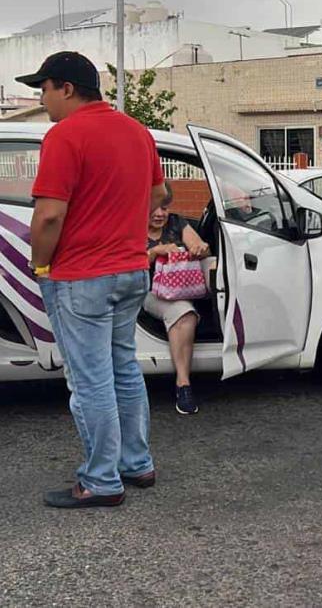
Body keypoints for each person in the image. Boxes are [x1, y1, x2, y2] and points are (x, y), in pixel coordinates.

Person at [20, 51, 166, 509]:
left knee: (90, 381)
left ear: (66, 88)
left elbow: (48, 216)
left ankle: (102, 481)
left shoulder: (64, 136)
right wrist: (128, 231)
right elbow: (159, 193)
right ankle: (136, 463)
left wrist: (39, 265)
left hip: (81, 276)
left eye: (43, 89)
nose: (42, 99)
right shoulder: (137, 132)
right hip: (130, 271)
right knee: (124, 367)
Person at [146, 182, 210, 415]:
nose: (161, 213)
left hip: (180, 288)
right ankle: (184, 385)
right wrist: (155, 252)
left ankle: (183, 384)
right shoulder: (130, 227)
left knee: (184, 311)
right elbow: (127, 265)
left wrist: (200, 248)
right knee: (183, 313)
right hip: (148, 291)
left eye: (164, 207)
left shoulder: (177, 222)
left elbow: (200, 247)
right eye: (154, 207)